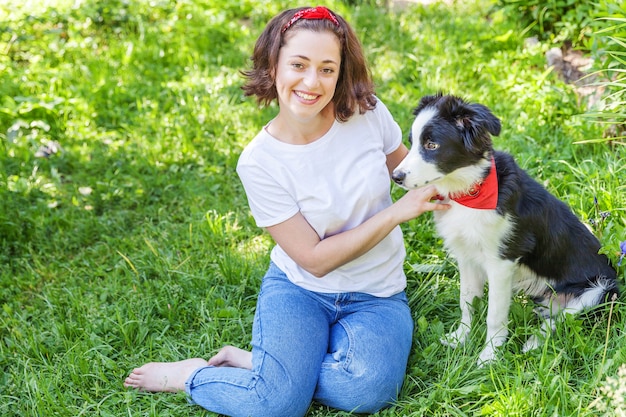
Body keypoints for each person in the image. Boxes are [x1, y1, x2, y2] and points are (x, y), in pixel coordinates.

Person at [124, 5, 449, 416]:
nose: (312, 82)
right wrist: (397, 213)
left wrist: (474, 186)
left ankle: (265, 368)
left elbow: (408, 173)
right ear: (273, 64)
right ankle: (193, 376)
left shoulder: (366, 113)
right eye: (298, 64)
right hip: (300, 291)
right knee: (277, 406)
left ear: (341, 72)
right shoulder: (260, 162)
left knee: (368, 391)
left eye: (327, 69)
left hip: (377, 293)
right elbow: (313, 261)